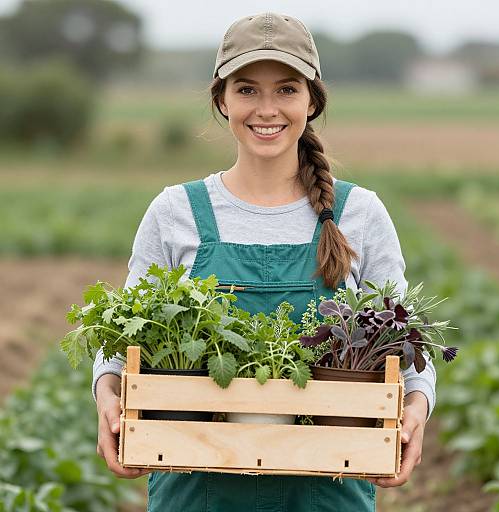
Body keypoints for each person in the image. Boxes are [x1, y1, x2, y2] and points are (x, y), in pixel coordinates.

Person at [92, 12, 435, 511]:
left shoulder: (359, 213)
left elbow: (406, 344)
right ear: (222, 100)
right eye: (248, 89)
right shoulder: (176, 212)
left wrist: (417, 406)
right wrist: (107, 394)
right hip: (196, 488)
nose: (267, 109)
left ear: (312, 100)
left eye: (287, 90)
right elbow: (122, 335)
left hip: (327, 491)